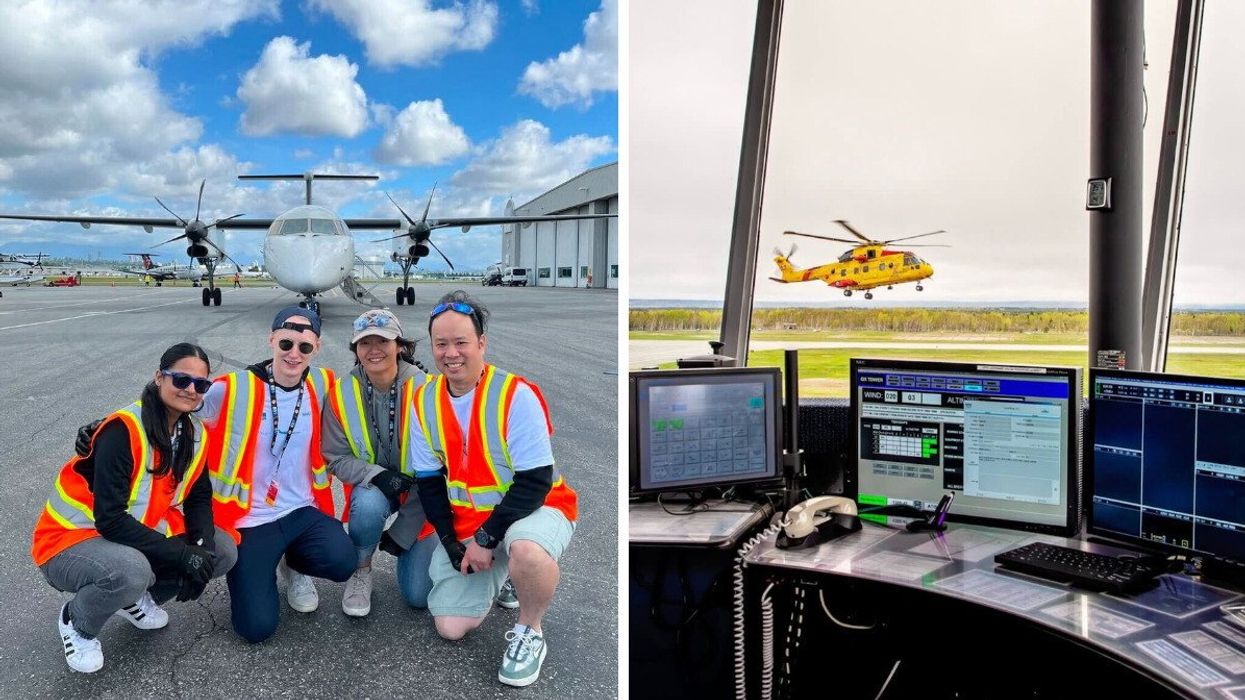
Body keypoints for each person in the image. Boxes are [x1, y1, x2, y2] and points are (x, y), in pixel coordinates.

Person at [406, 290, 578, 687]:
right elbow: (429, 481)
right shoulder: (424, 400)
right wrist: (450, 540)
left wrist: (485, 539)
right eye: (441, 343)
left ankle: (530, 629)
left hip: (537, 508)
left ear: (481, 343)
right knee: (450, 627)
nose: (452, 353)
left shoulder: (516, 394)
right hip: (473, 520)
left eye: (462, 342)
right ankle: (504, 575)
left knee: (527, 552)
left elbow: (535, 480)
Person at [33, 343, 238, 673]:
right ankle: (77, 622)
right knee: (130, 572)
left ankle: (138, 599)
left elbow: (199, 497)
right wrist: (182, 556)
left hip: (132, 530)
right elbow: (110, 519)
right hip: (69, 540)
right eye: (182, 380)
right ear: (159, 377)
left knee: (222, 551)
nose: (191, 390)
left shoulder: (193, 432)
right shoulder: (123, 430)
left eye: (201, 385)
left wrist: (201, 551)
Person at [199, 306, 355, 643]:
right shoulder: (233, 388)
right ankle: (261, 569)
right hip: (250, 521)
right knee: (256, 628)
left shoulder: (322, 382)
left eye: (304, 347)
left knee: (344, 562)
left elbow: (369, 388)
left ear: (317, 348)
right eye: (286, 344)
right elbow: (177, 398)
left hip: (301, 510)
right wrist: (111, 426)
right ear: (271, 340)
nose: (294, 354)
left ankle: (295, 567)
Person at [322, 308, 428, 616]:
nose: (374, 350)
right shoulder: (341, 393)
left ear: (400, 346)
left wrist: (403, 530)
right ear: (355, 349)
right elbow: (335, 457)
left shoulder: (427, 390)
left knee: (418, 596)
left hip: (423, 496)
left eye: (382, 340)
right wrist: (377, 475)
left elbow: (441, 469)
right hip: (375, 487)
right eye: (364, 342)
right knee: (367, 505)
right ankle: (362, 569)